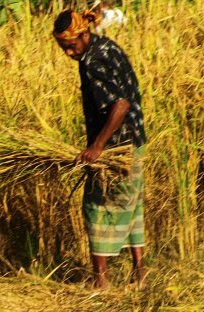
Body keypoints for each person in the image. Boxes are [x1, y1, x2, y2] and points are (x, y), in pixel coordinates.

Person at [53, 8, 148, 289]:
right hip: (136, 140)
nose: (68, 54)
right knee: (131, 205)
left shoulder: (92, 61)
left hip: (117, 148)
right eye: (63, 48)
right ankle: (140, 274)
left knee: (96, 207)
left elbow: (120, 104)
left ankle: (101, 282)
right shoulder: (107, 46)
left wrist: (96, 147)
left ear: (84, 35)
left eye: (71, 47)